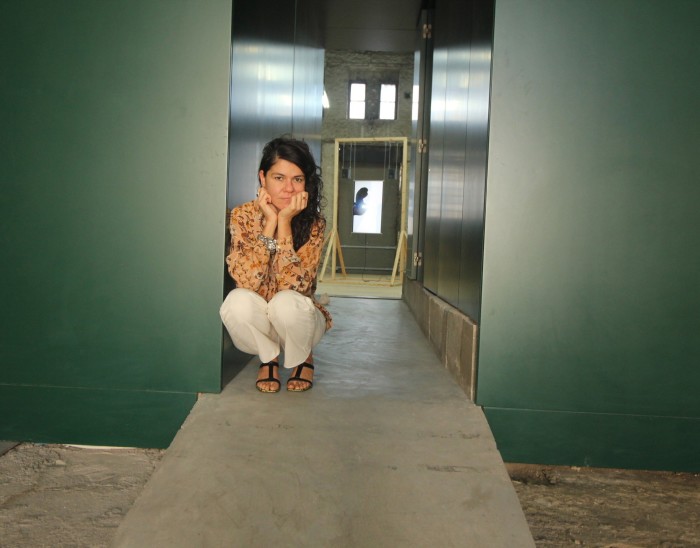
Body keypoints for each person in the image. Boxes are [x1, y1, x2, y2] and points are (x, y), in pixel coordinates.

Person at [220, 136, 332, 393]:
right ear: (263, 178)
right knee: (236, 302)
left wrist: (285, 224)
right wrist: (270, 223)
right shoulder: (242, 216)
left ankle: (304, 357)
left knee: (286, 302)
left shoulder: (314, 224)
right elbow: (247, 282)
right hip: (263, 315)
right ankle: (268, 358)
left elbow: (295, 287)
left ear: (306, 183)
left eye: (297, 179)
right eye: (279, 178)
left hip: (299, 318)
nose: (288, 188)